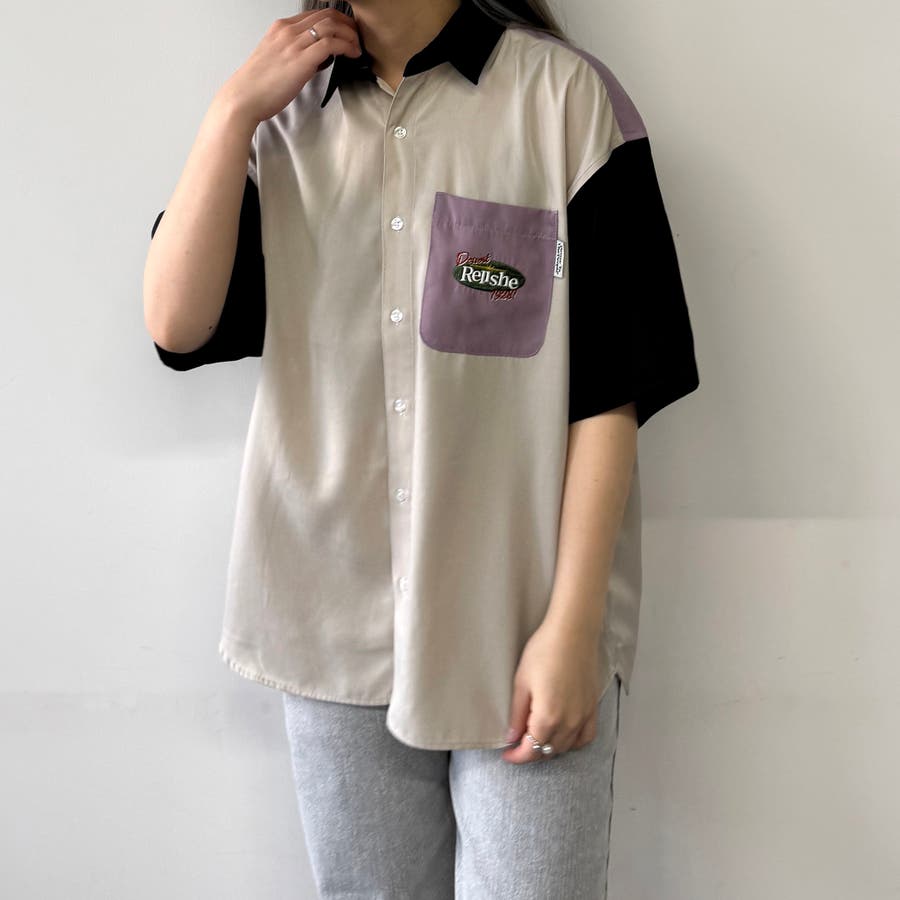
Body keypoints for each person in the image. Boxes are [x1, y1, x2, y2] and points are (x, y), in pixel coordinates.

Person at [143, 0, 700, 896]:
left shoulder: (564, 98)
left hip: (518, 621)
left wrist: (573, 626)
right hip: (331, 622)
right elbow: (177, 324)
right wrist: (230, 112)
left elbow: (611, 391)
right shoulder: (283, 115)